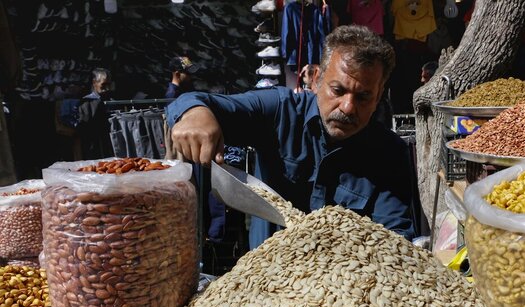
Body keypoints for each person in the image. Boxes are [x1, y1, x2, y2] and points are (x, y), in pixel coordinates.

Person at [169, 25, 419, 249]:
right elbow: (196, 101)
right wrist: (194, 114)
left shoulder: (389, 153)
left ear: (378, 98)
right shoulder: (280, 110)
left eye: (363, 97)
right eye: (338, 90)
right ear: (317, 80)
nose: (348, 107)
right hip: (266, 282)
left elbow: (393, 238)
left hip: (344, 291)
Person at [77, 68, 113, 159]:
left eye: (109, 85)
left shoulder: (111, 100)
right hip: (94, 147)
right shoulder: (86, 103)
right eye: (103, 85)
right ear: (94, 83)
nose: (107, 88)